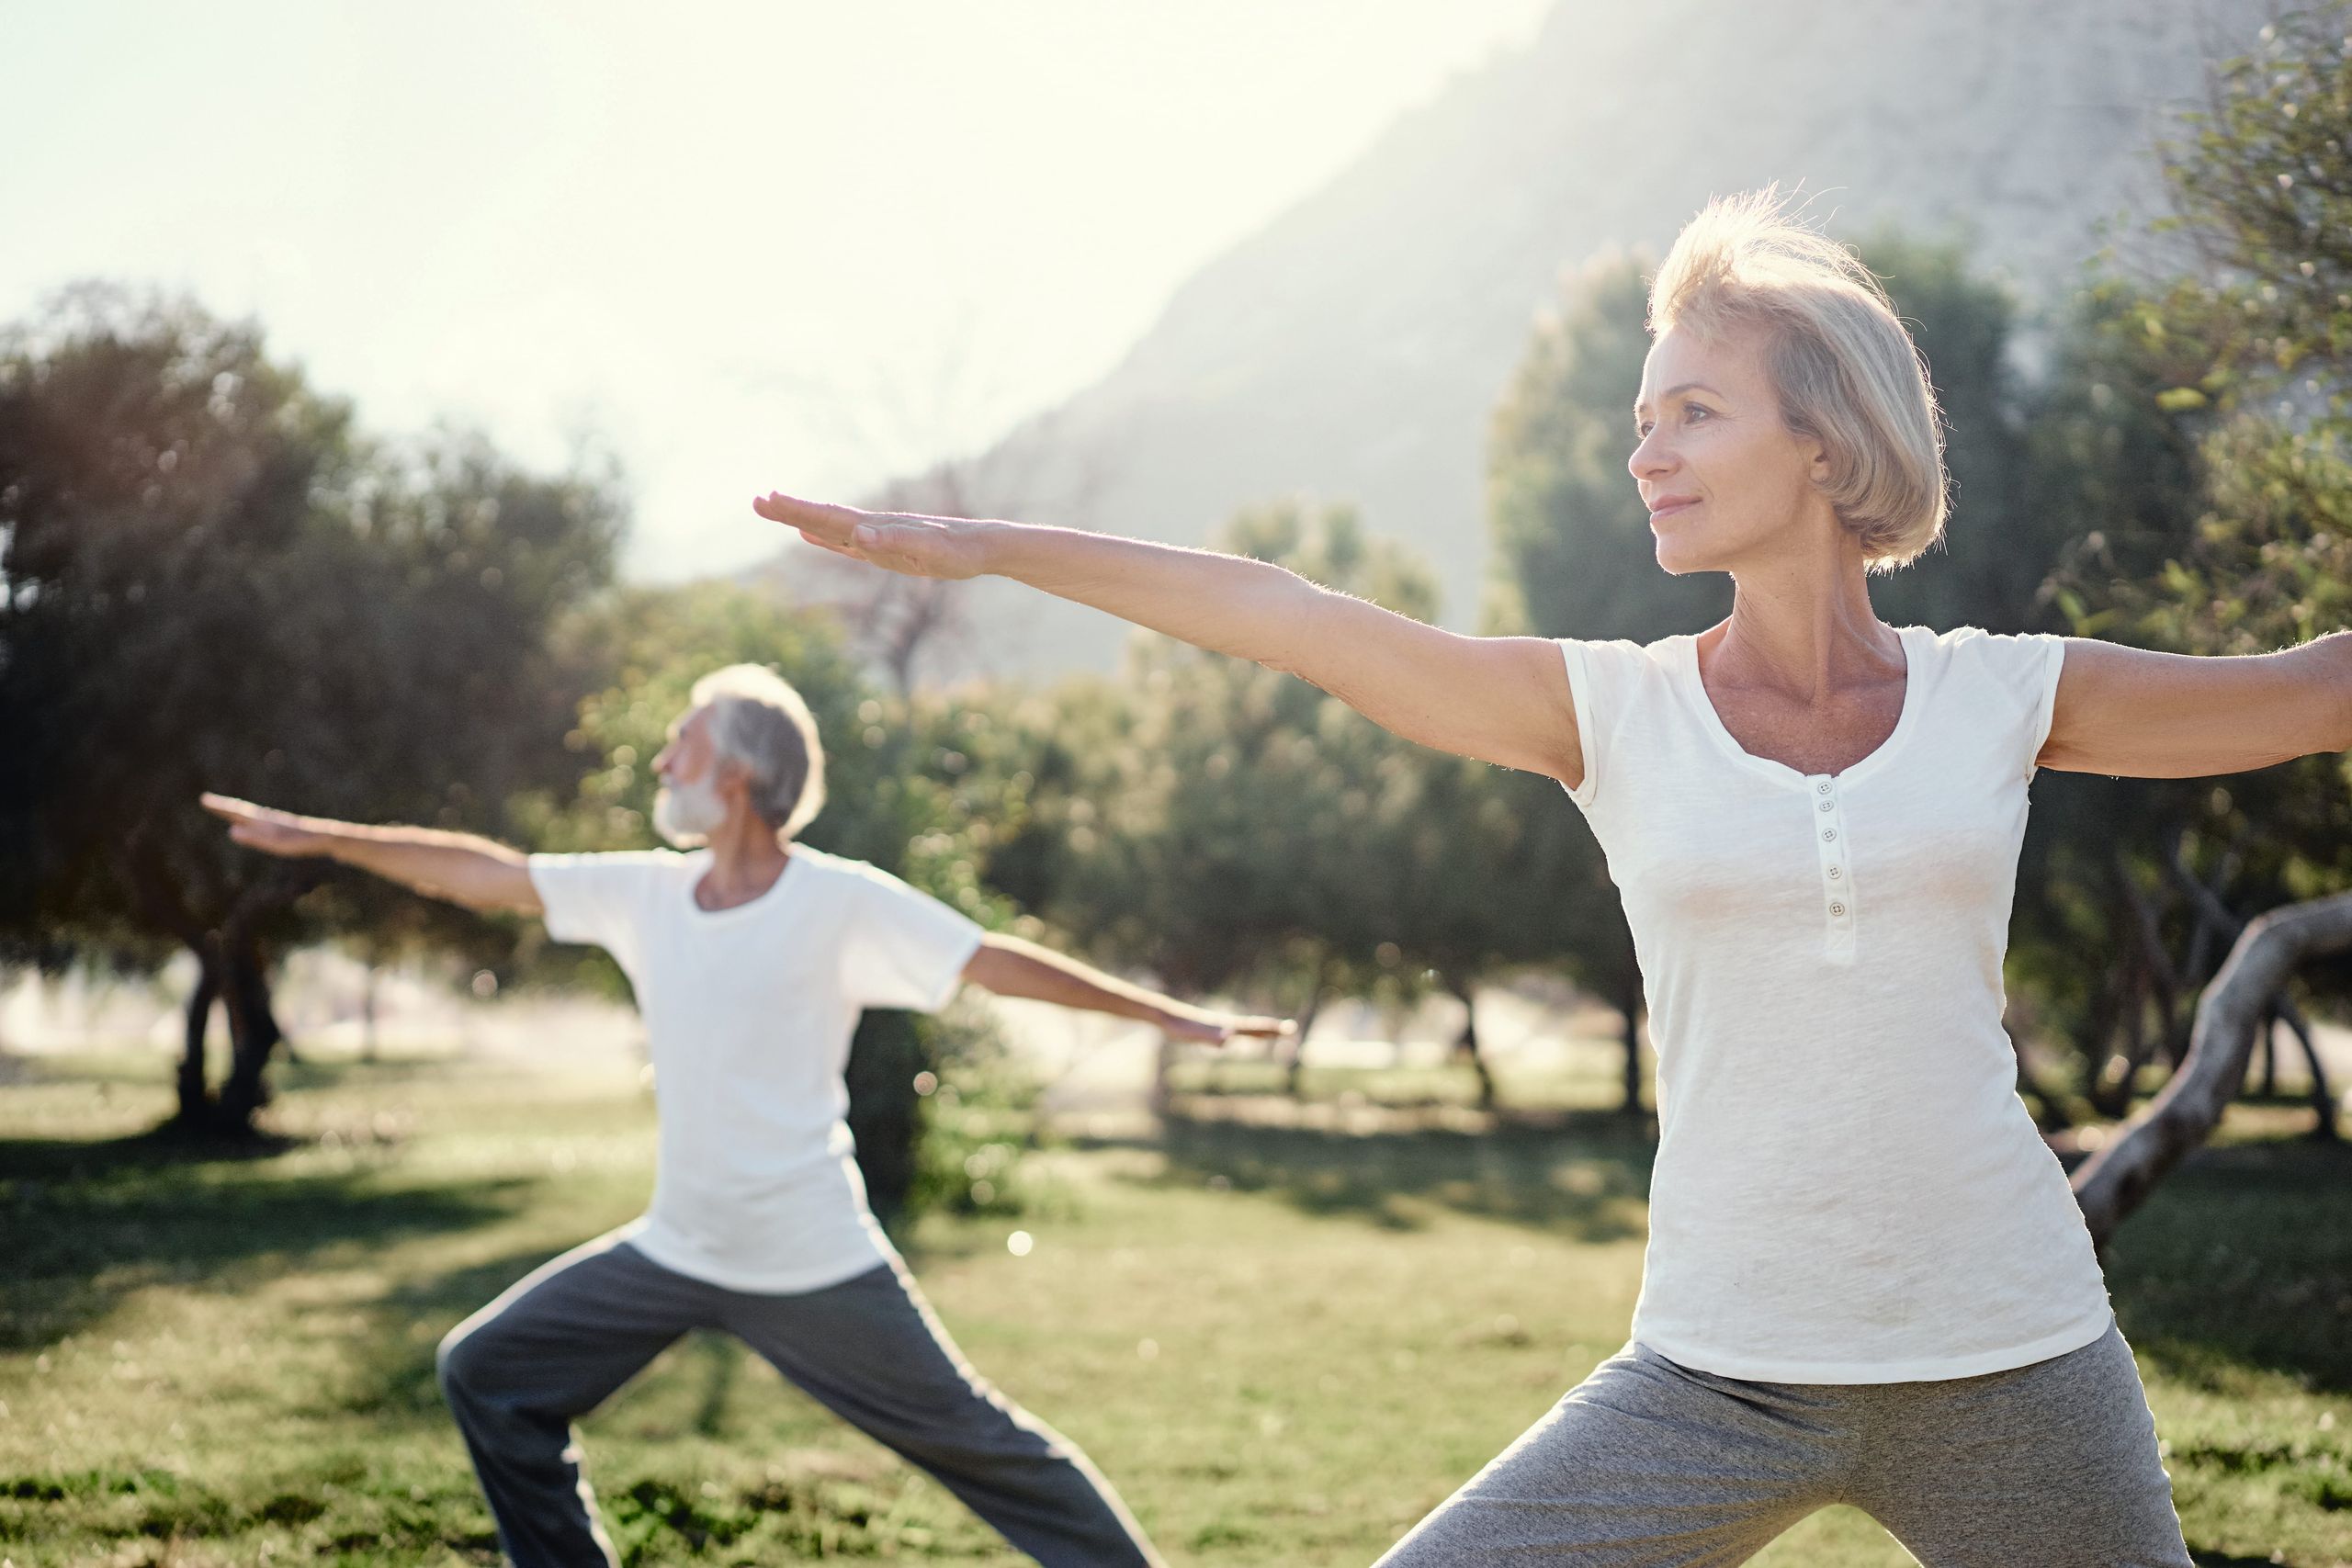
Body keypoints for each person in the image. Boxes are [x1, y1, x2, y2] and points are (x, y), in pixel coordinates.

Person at [752, 190, 2352, 1566]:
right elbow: (1293, 616)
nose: (1644, 452)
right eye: (1640, 417)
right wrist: (988, 547)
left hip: (2015, 1351)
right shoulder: (1614, 713)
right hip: (1720, 1370)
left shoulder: (2002, 693)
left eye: (1693, 413)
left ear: (1823, 438)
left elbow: (2311, 688)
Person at [202, 663, 1288, 1568]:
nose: (662, 761)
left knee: (986, 1449)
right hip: (677, 1245)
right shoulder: (648, 892)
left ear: (734, 777)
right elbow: (488, 874)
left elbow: (991, 961)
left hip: (809, 1256)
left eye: (681, 743)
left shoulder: (838, 900)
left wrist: (1172, 1017)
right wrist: (323, 838)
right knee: (486, 1374)